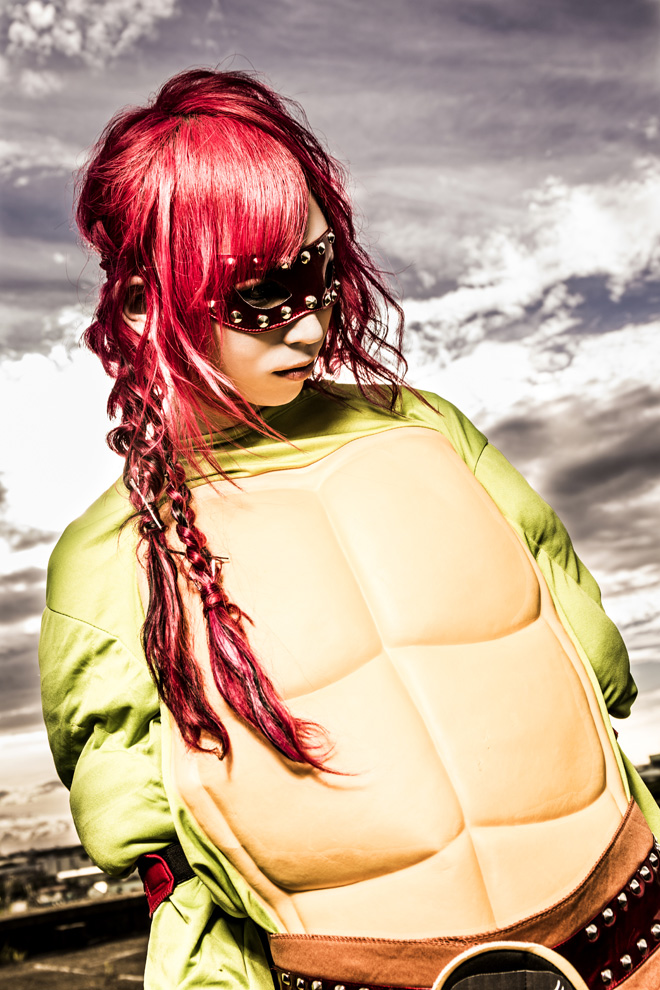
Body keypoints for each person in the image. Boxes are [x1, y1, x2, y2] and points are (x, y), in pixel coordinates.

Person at [39, 69, 660, 990]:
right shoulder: (108, 559)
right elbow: (159, 857)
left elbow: (598, 669)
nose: (309, 325)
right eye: (260, 294)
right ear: (140, 304)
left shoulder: (432, 430)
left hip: (635, 935)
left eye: (319, 271)